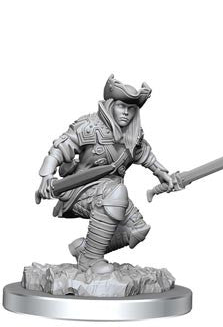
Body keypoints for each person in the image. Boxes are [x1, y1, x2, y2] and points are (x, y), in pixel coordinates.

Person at [36, 75, 175, 273]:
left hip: (113, 192)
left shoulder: (133, 134)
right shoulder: (89, 126)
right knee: (115, 194)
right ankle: (90, 260)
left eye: (131, 108)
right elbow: (60, 148)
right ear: (111, 105)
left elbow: (143, 154)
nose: (126, 112)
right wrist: (46, 176)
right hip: (79, 190)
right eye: (121, 106)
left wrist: (161, 172)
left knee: (137, 230)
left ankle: (85, 250)